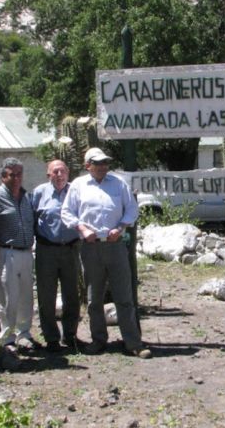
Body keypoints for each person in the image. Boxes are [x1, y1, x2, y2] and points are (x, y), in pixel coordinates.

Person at [61, 147, 151, 359]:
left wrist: (120, 227)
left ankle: (133, 342)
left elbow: (132, 209)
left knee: (124, 296)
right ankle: (98, 340)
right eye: (97, 163)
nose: (102, 167)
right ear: (87, 165)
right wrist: (82, 229)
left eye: (105, 163)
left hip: (116, 245)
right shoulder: (78, 185)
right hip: (90, 247)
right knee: (94, 298)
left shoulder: (119, 183)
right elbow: (67, 212)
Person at [31, 159, 82, 353]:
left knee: (72, 294)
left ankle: (70, 336)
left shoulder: (76, 192)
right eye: (55, 172)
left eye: (62, 171)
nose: (59, 175)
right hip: (47, 250)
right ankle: (51, 338)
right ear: (48, 175)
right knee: (46, 295)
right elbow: (33, 219)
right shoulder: (39, 193)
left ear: (68, 172)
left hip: (71, 249)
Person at [0, 157, 41, 353]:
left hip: (26, 252)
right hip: (7, 252)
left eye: (19, 174)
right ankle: (7, 336)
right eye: (12, 174)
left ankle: (24, 333)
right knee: (7, 295)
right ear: (3, 176)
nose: (16, 178)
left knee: (26, 295)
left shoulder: (27, 197)